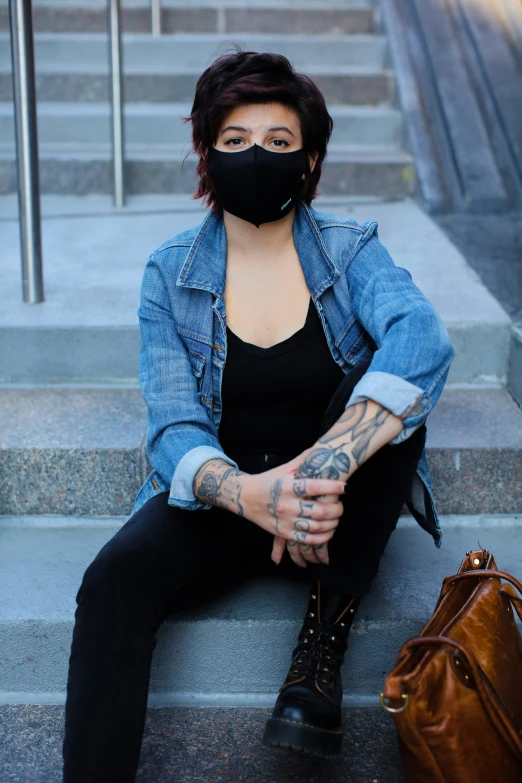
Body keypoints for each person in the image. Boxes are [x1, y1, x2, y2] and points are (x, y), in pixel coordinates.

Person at [61, 48, 455, 780]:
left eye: (279, 143)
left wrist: (317, 472)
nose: (256, 157)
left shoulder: (350, 248)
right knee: (113, 578)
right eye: (235, 141)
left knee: (393, 394)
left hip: (336, 508)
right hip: (228, 495)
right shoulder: (170, 273)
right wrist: (252, 495)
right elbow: (174, 429)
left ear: (309, 163)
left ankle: (322, 642)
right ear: (207, 155)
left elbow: (423, 339)